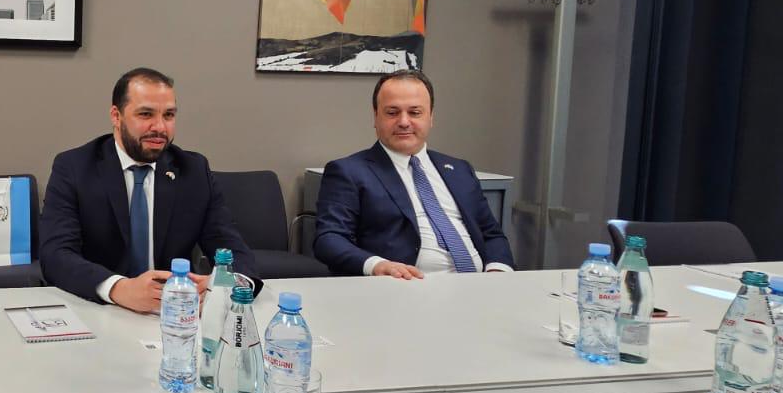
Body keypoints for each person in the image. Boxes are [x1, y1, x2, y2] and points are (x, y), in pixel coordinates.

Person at [40, 67, 259, 313]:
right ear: (116, 116)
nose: (160, 127)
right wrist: (118, 288)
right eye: (146, 114)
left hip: (174, 315)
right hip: (98, 308)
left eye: (169, 115)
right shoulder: (75, 167)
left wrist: (225, 285)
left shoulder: (194, 171)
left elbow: (232, 249)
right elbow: (55, 254)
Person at [312, 69, 514, 278]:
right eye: (392, 113)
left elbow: (491, 234)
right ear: (376, 116)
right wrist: (377, 265)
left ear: (431, 117)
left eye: (415, 112)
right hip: (405, 285)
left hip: (480, 285)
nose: (404, 122)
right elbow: (329, 239)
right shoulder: (349, 172)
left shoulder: (460, 170)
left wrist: (497, 271)